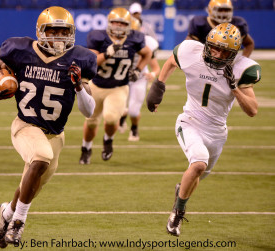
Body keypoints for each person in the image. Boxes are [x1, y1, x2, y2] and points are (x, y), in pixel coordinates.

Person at [0, 6, 97, 248]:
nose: (58, 37)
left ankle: (7, 212)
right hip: (25, 125)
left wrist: (78, 87)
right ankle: (18, 223)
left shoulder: (80, 59)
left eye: (63, 32)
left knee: (31, 184)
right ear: (40, 31)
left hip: (55, 135)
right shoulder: (20, 50)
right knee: (40, 157)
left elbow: (89, 111)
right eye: (52, 31)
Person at [146, 23, 261, 236]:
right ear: (206, 43)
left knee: (197, 175)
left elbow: (252, 110)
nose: (217, 54)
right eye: (214, 47)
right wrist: (158, 87)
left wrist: (234, 88)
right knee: (198, 163)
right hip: (190, 120)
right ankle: (177, 213)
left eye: (224, 50)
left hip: (217, 132)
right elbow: (171, 61)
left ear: (234, 52)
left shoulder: (241, 68)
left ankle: (181, 192)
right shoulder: (191, 51)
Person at [78, 7, 151, 164]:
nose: (118, 26)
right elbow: (90, 61)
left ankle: (108, 139)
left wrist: (138, 70)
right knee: (91, 122)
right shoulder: (98, 37)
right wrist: (107, 54)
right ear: (109, 23)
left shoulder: (135, 38)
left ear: (129, 25)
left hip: (118, 87)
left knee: (111, 119)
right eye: (115, 23)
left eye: (122, 23)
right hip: (96, 85)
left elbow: (147, 53)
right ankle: (86, 148)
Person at [119, 17, 160, 141]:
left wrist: (152, 74)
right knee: (116, 107)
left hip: (139, 78)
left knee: (133, 110)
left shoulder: (144, 44)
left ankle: (134, 128)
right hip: (121, 78)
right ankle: (122, 116)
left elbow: (155, 67)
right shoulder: (116, 42)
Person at [186, 0, 254, 57]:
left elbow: (249, 44)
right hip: (204, 61)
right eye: (220, 9)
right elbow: (187, 44)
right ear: (210, 10)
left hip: (227, 63)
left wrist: (243, 59)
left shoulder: (237, 24)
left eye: (226, 10)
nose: (223, 13)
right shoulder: (200, 23)